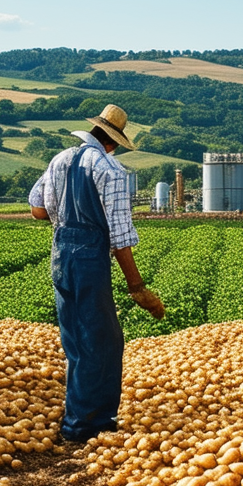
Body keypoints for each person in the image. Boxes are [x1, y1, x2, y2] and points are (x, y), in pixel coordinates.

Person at [28, 103, 166, 443]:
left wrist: (69, 211)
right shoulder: (109, 168)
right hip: (89, 256)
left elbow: (37, 209)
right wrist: (137, 287)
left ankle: (77, 416)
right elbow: (120, 236)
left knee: (75, 338)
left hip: (61, 254)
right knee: (102, 341)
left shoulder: (59, 160)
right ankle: (89, 426)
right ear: (114, 142)